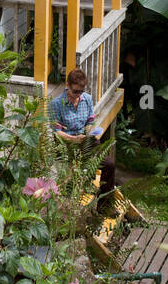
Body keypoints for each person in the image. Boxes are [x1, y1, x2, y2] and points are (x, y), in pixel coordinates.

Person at [49, 68, 117, 211]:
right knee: (77, 171)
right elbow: (56, 132)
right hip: (68, 143)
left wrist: (89, 131)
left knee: (109, 164)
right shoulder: (57, 103)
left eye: (81, 91)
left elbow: (90, 121)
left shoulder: (86, 99)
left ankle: (104, 205)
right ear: (67, 85)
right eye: (75, 91)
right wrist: (73, 139)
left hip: (85, 141)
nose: (78, 95)